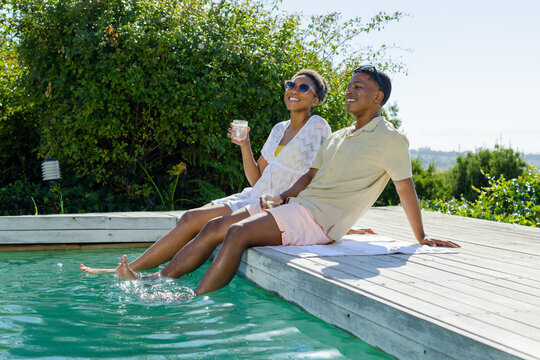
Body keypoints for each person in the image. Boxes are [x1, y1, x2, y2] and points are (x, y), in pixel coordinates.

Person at [113, 65, 460, 293]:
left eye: (359, 87)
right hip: (296, 206)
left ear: (378, 97)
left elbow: (404, 188)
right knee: (212, 227)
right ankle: (153, 281)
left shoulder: (390, 138)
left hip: (318, 220)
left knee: (235, 234)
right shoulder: (339, 136)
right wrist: (282, 197)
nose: (350, 91)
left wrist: (421, 236)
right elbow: (308, 178)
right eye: (349, 86)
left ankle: (193, 298)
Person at [80, 69, 332, 274]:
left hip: (277, 204)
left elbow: (312, 175)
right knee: (189, 218)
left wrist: (284, 197)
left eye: (303, 88)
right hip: (256, 194)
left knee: (202, 224)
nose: (293, 90)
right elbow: (256, 177)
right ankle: (132, 268)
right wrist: (245, 145)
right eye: (290, 84)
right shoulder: (278, 129)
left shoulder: (318, 126)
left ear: (316, 100)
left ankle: (135, 272)